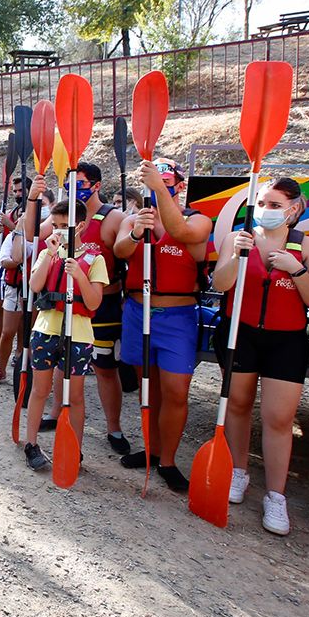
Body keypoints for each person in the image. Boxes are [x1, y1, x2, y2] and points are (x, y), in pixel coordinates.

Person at [211, 177, 309, 535]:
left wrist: (297, 270)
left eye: (275, 206)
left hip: (287, 341)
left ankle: (276, 496)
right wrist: (235, 256)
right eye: (261, 203)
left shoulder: (307, 247)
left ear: (293, 209)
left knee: (279, 419)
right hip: (240, 334)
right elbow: (220, 284)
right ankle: (238, 472)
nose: (265, 211)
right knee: (238, 405)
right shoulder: (238, 237)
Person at [112, 158, 213, 492]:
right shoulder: (133, 218)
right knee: (149, 388)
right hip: (137, 311)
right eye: (155, 180)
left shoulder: (197, 220)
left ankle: (168, 461)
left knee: (176, 391)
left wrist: (159, 190)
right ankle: (152, 451)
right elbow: (120, 249)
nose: (160, 185)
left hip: (178, 317)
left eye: (167, 181)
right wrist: (138, 231)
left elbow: (183, 233)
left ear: (178, 186)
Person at [21, 199, 108, 471]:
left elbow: (93, 302)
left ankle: (75, 447)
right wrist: (48, 254)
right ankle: (31, 443)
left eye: (62, 226)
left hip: (79, 335)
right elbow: (35, 285)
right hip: (46, 329)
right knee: (40, 389)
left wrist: (79, 274)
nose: (56, 231)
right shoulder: (48, 252)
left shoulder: (95, 259)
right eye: (54, 225)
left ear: (79, 225)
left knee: (76, 396)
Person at [57, 162, 129, 454]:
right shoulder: (64, 216)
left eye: (80, 184)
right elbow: (32, 233)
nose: (73, 190)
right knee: (61, 364)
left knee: (104, 369)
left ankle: (114, 427)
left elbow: (126, 252)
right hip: (66, 304)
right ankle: (54, 413)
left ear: (96, 185)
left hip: (104, 305)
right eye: (69, 185)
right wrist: (35, 199)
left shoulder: (114, 217)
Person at [0, 192, 51, 386]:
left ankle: (33, 373)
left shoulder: (50, 234)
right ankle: (1, 370)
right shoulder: (14, 236)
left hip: (39, 291)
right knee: (8, 332)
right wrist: (19, 229)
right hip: (15, 288)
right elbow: (11, 260)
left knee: (33, 333)